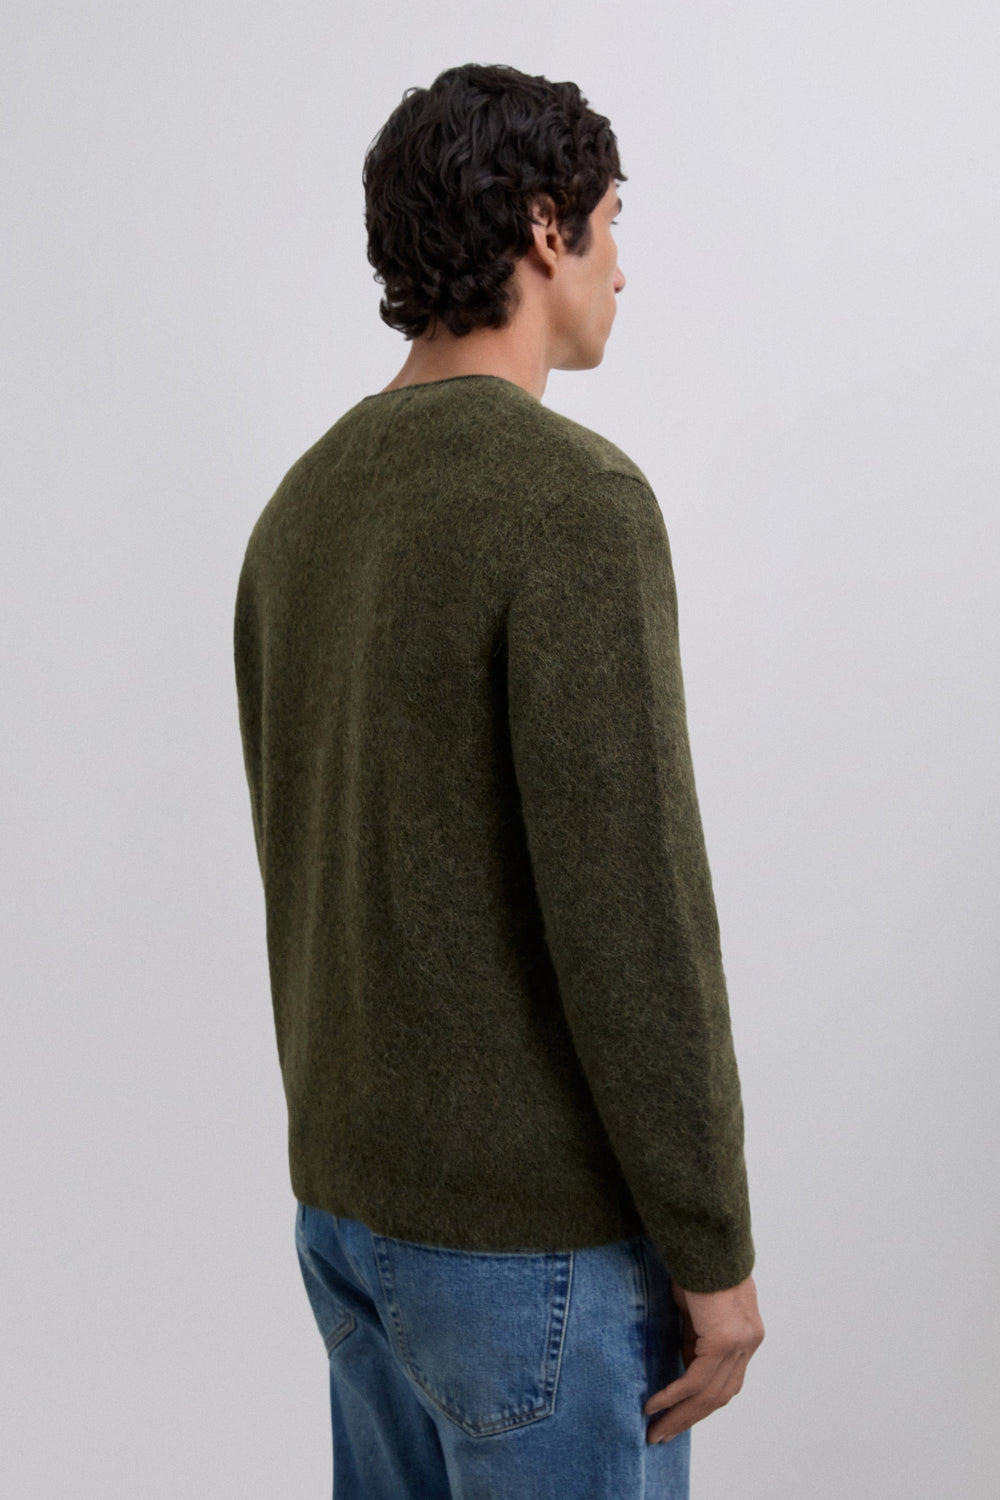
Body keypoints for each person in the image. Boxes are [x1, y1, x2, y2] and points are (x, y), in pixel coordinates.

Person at [233, 61, 764, 1498]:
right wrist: (713, 1251)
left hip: (349, 1221)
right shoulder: (574, 502)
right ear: (544, 225)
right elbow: (634, 915)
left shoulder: (299, 509)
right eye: (611, 220)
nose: (621, 267)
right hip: (536, 1257)